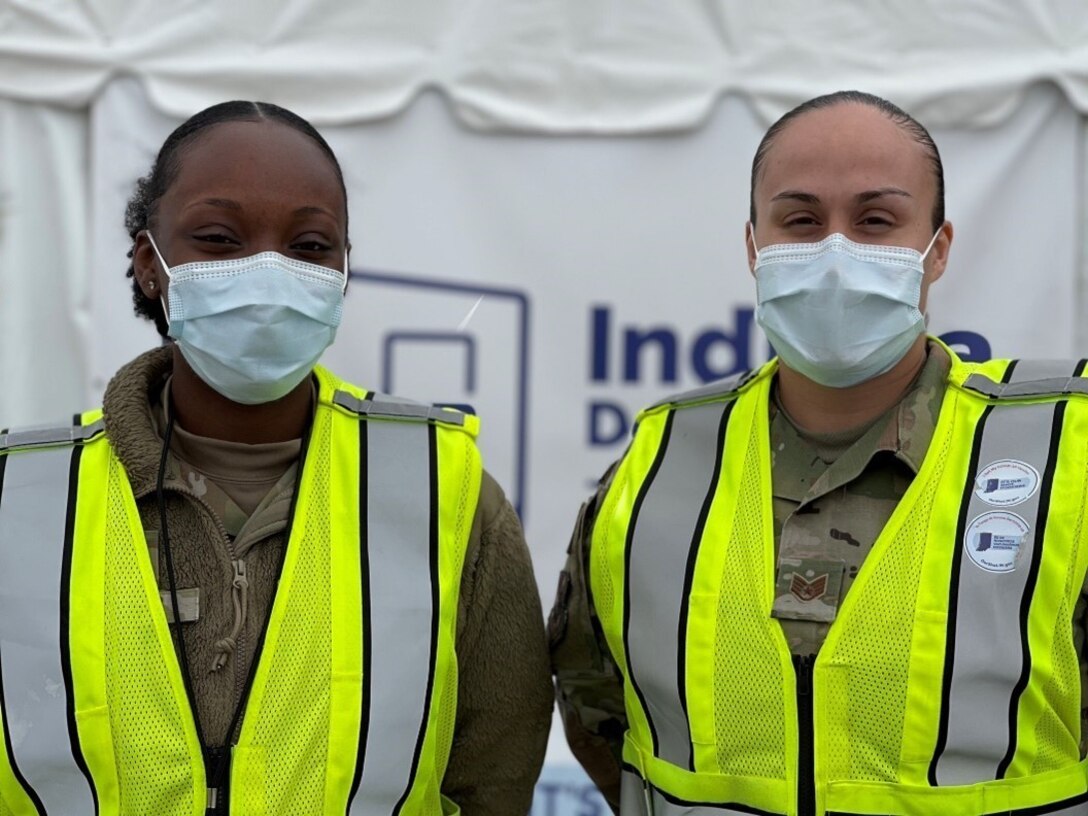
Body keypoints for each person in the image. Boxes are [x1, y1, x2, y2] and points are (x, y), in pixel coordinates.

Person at [0, 100, 551, 815]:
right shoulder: (23, 497)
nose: (267, 270)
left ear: (344, 272)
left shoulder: (443, 492)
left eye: (311, 246)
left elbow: (493, 778)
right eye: (220, 238)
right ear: (149, 264)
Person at [550, 90, 1088, 815]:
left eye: (876, 220)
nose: (837, 250)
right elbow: (597, 701)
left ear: (940, 249)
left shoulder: (1062, 454)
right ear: (754, 247)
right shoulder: (656, 464)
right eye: (800, 221)